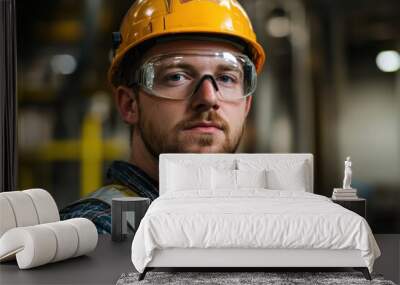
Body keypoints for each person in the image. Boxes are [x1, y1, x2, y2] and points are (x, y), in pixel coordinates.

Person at [60, 0, 266, 234]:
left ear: (247, 104)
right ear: (129, 104)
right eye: (177, 76)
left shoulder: (249, 222)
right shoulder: (96, 232)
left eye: (227, 78)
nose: (209, 98)